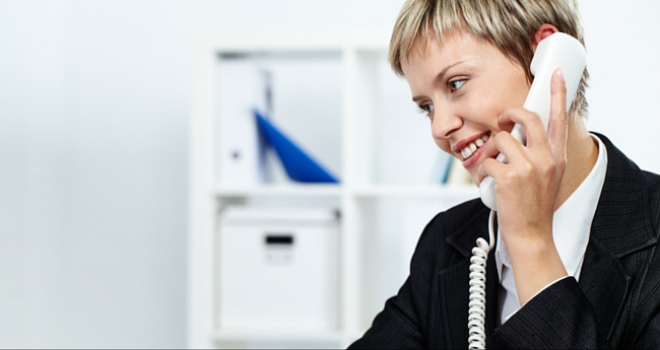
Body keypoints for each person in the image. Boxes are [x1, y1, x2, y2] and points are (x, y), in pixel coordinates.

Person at [349, 0, 660, 348]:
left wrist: (530, 242)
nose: (440, 127)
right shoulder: (446, 243)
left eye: (455, 84)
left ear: (546, 60)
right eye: (427, 107)